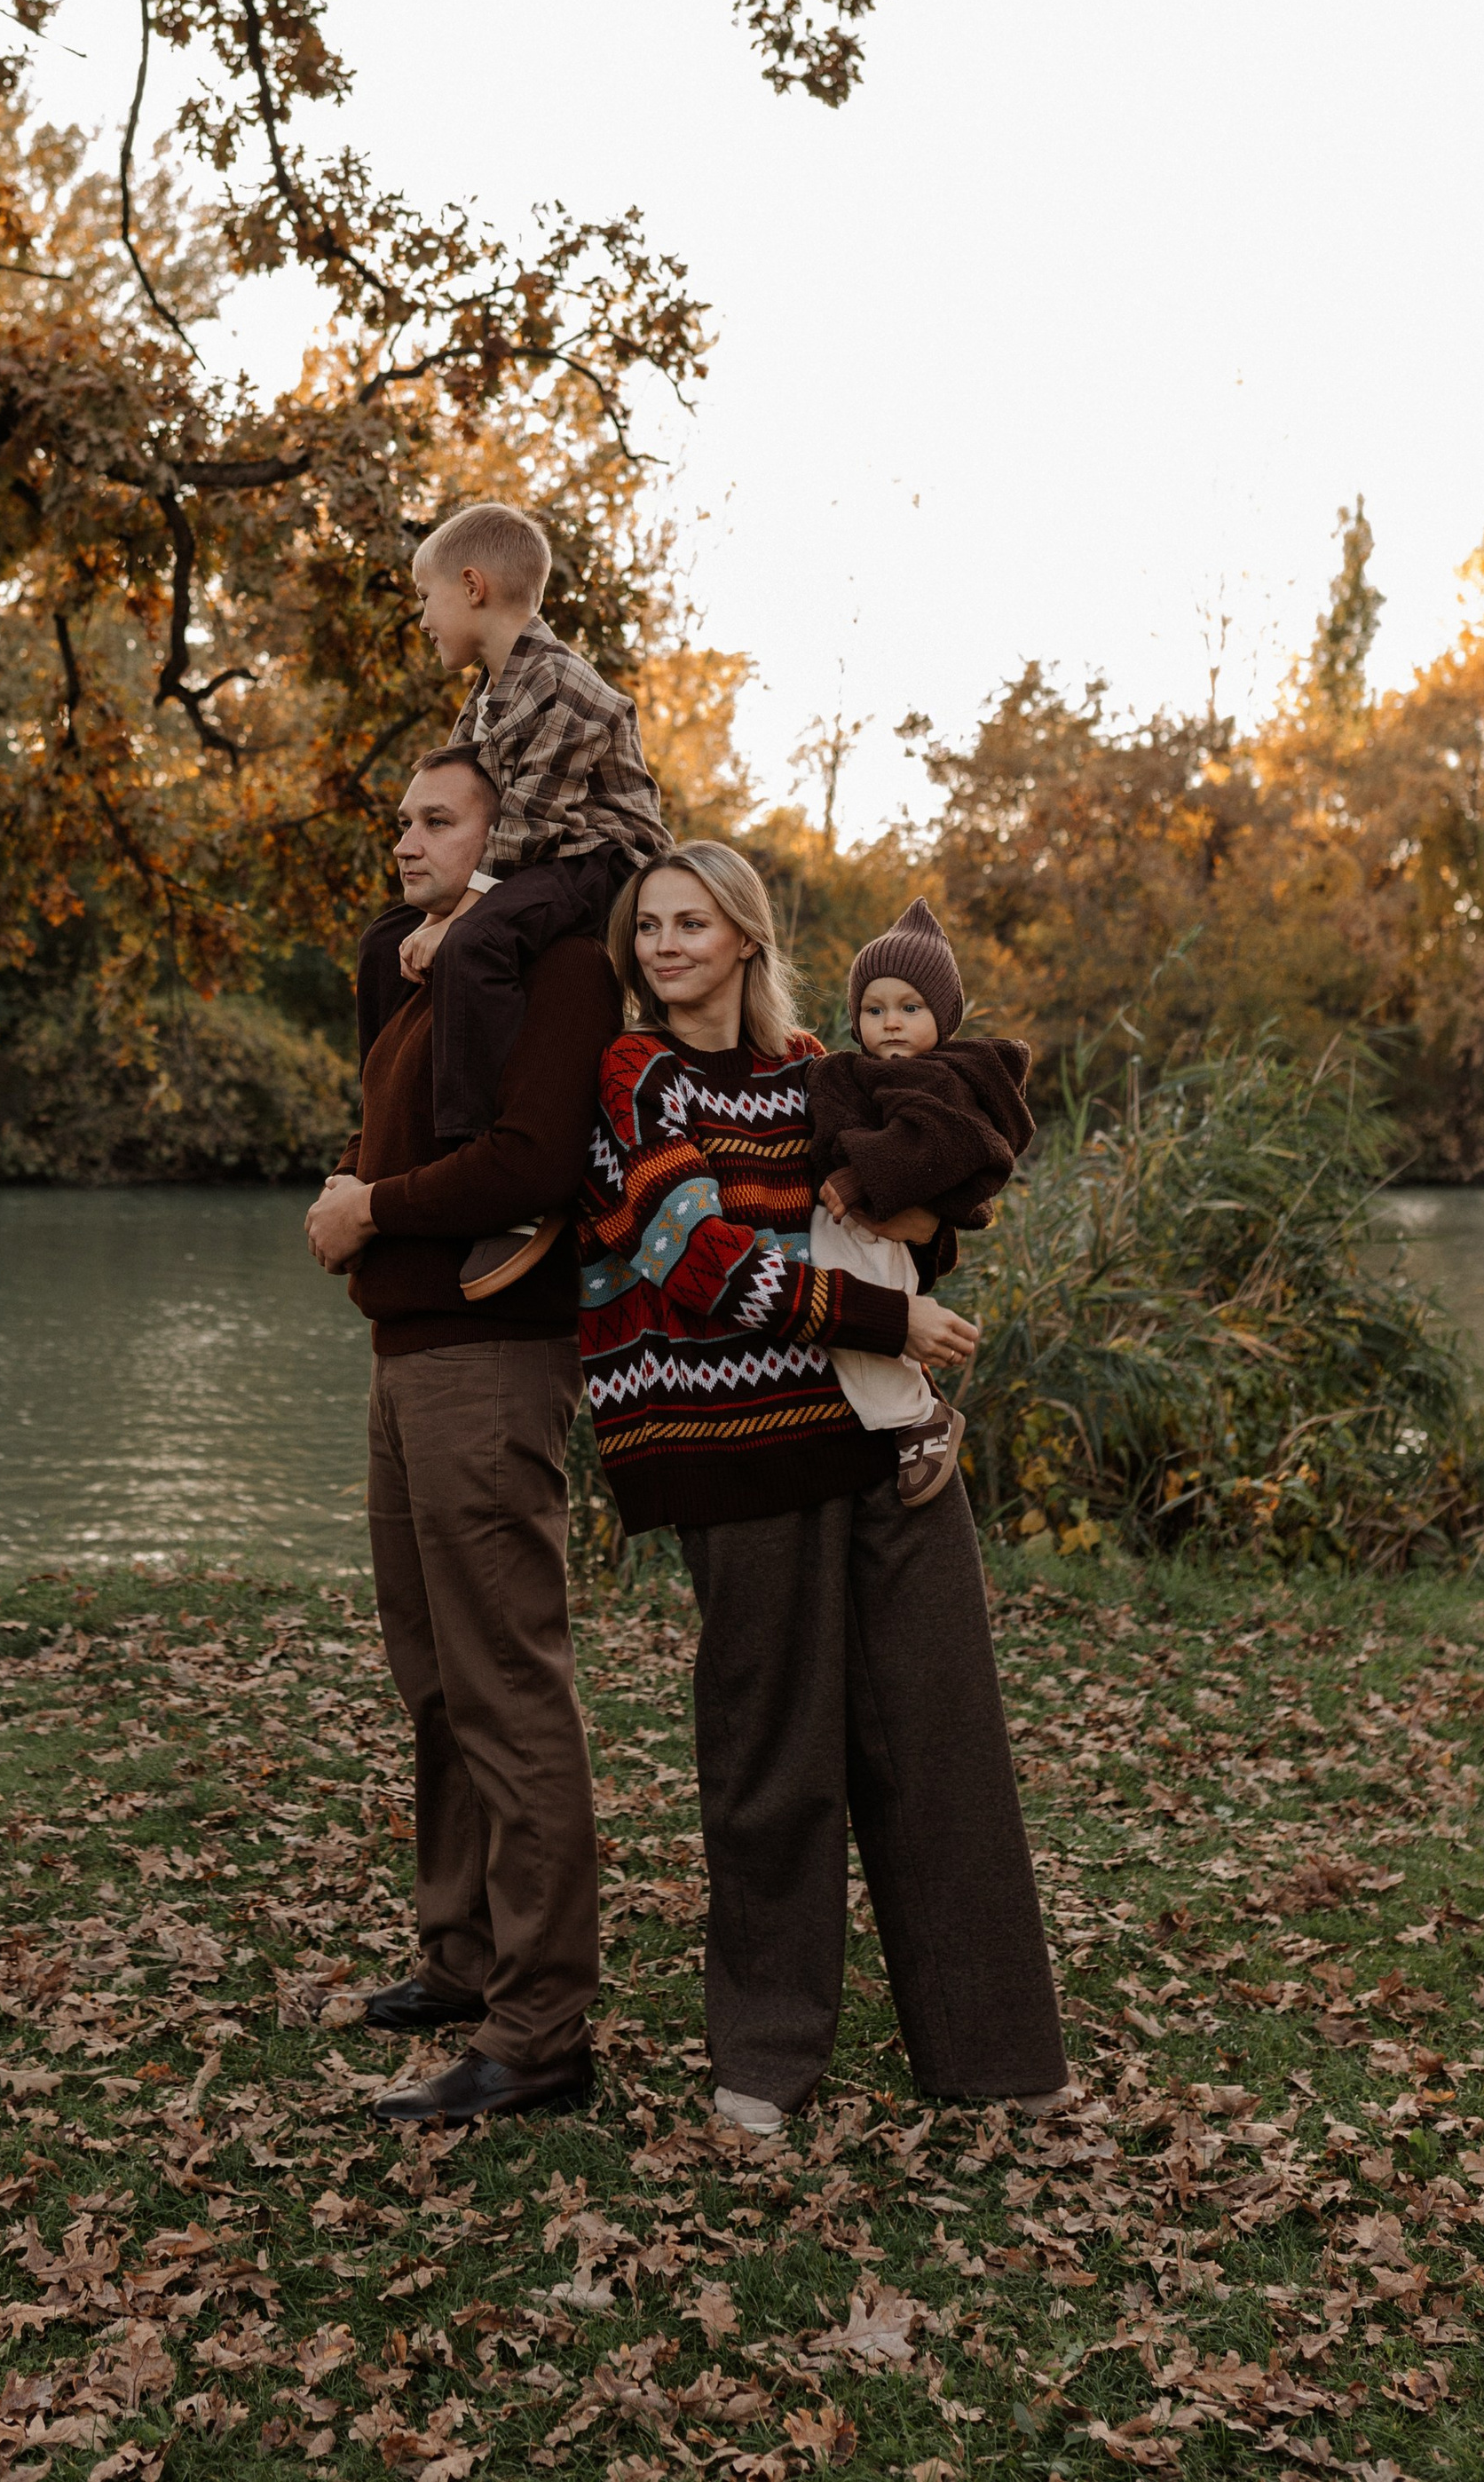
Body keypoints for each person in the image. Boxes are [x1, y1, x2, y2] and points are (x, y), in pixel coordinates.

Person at [578, 841, 1070, 2135]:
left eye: (691, 924)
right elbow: (692, 1258)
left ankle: (992, 2057)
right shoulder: (637, 1075)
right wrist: (878, 1315)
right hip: (736, 1453)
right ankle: (767, 2065)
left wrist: (929, 1234)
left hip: (878, 1435)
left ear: (746, 937)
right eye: (648, 929)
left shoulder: (816, 1072)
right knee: (772, 1759)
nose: (664, 947)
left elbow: (927, 1179)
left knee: (941, 1743)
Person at [307, 747, 620, 2128]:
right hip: (407, 1349)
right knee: (431, 1675)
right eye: (400, 820)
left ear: (513, 831)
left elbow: (531, 1166)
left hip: (491, 1357)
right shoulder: (441, 966)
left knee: (506, 1686)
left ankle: (542, 2028)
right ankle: (467, 1954)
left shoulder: (557, 971)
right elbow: (384, 966)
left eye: (438, 821)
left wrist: (370, 1210)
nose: (403, 841)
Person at [355, 504, 667, 1294]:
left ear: (473, 585)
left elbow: (526, 819)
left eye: (426, 598)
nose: (422, 617)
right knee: (383, 938)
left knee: (476, 943)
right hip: (532, 858)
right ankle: (391, 1131)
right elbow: (473, 795)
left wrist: (456, 917)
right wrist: (428, 914)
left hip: (598, 855)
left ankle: (481, 1161)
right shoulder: (488, 692)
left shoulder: (562, 680)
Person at [803, 897, 1036, 1509]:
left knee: (864, 1318)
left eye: (911, 1007)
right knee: (841, 1319)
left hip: (882, 1235)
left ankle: (918, 1418)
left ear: (944, 1017)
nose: (893, 1023)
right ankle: (905, 1417)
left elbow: (945, 1142)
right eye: (874, 1010)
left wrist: (861, 1176)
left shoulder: (941, 1078)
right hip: (847, 1230)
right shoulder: (849, 1072)